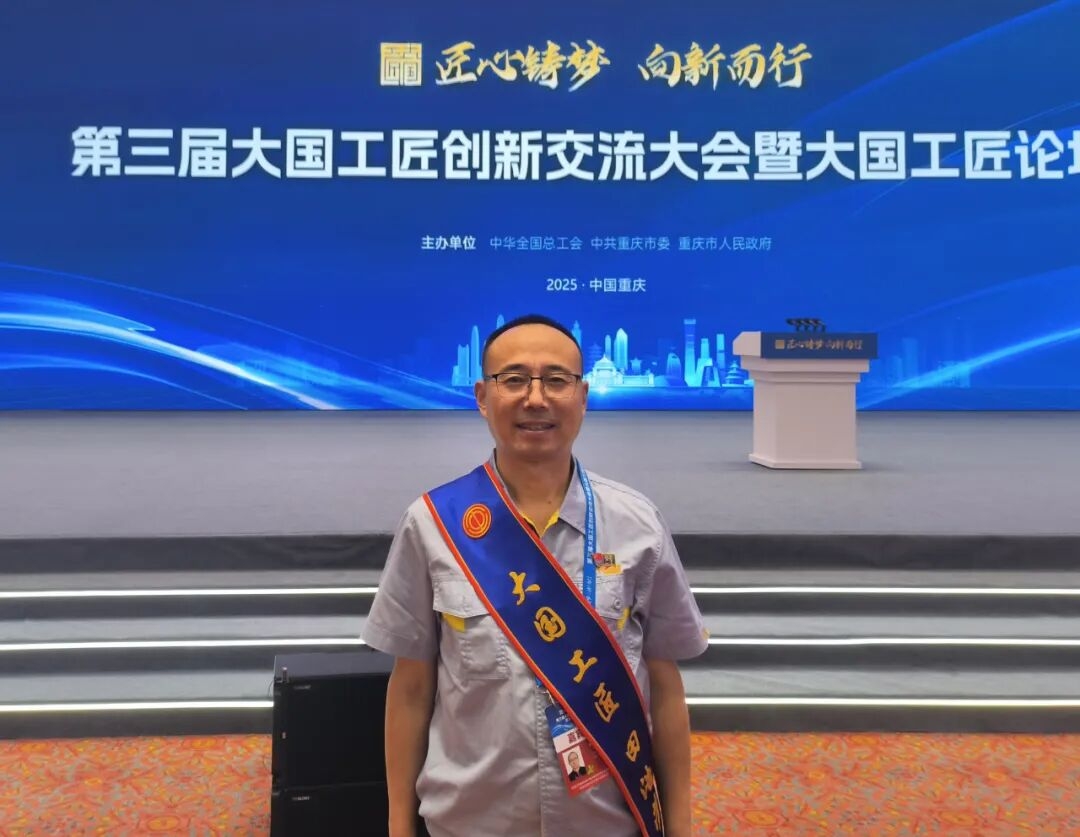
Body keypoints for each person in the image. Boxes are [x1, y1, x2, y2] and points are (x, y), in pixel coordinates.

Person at [363, 314, 708, 837]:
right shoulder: (433, 524)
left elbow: (664, 688)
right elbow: (410, 689)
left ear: (583, 397)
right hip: (470, 822)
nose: (536, 399)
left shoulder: (638, 525)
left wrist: (680, 829)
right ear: (483, 397)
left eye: (556, 380)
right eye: (515, 380)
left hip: (607, 824)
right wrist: (398, 826)